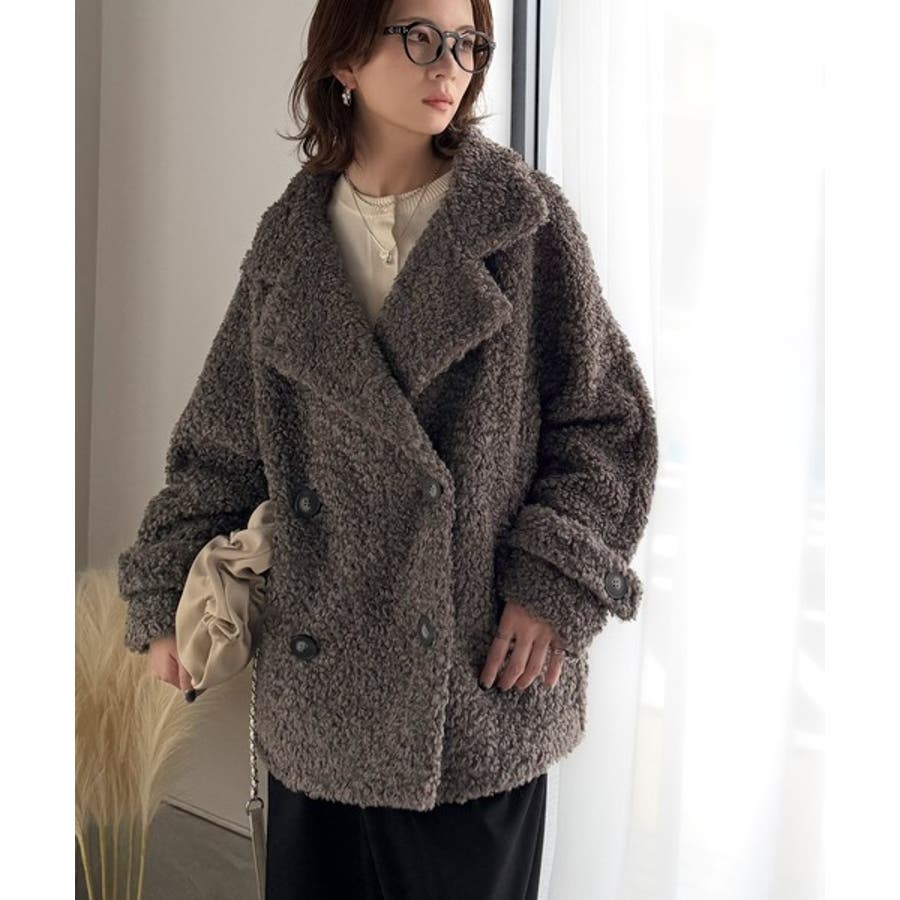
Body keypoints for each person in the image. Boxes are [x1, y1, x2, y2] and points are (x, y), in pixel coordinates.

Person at [118, 0, 659, 897]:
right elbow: (220, 448)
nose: (449, 64)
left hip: (475, 697)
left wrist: (553, 580)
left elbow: (607, 425)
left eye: (467, 43)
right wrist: (162, 595)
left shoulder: (523, 224)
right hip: (321, 711)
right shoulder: (291, 245)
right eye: (418, 36)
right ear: (344, 60)